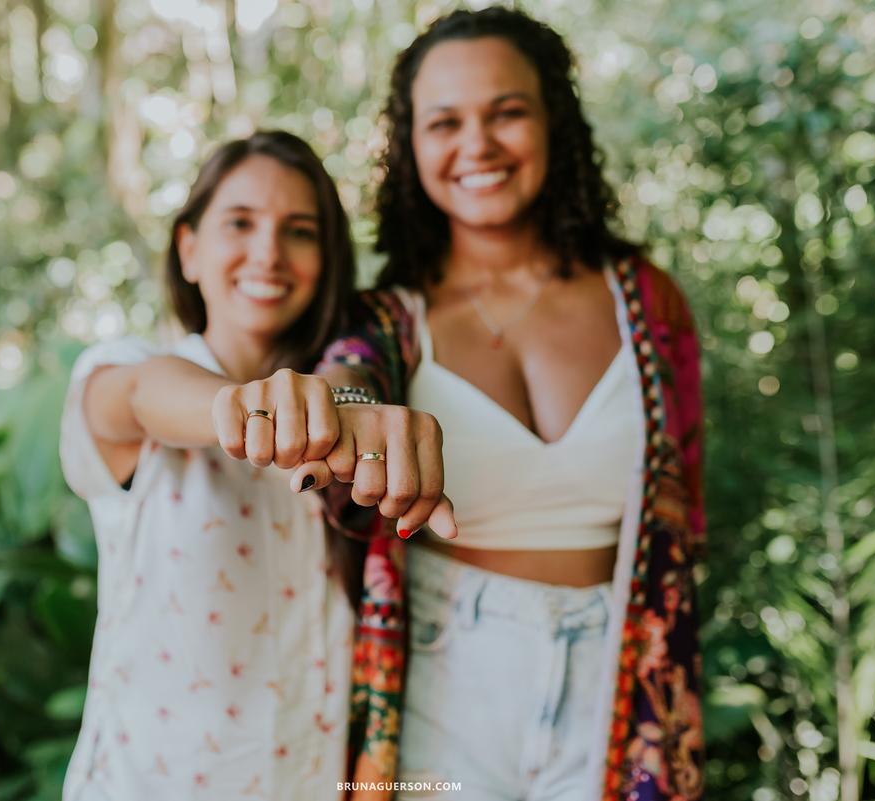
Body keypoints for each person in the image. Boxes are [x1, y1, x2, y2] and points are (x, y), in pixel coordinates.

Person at [318, 9, 706, 801]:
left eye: (507, 112)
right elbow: (347, 388)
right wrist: (348, 409)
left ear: (553, 123)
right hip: (441, 669)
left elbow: (687, 510)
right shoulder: (384, 319)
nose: (478, 145)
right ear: (410, 145)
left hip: (622, 664)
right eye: (445, 122)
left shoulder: (648, 301)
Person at [59, 131, 453, 801]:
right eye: (240, 222)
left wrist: (346, 409)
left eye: (300, 231)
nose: (268, 251)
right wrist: (251, 405)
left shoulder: (346, 397)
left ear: (327, 260)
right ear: (189, 248)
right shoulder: (120, 369)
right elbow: (143, 395)